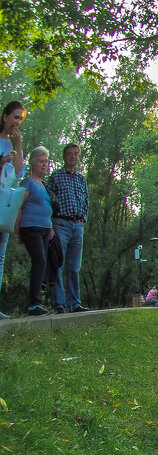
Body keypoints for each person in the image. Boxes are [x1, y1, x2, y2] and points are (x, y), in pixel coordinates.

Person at [46, 142, 90, 313]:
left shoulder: (81, 178)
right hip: (61, 223)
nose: (73, 156)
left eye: (76, 153)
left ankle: (75, 303)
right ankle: (59, 304)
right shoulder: (56, 176)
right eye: (70, 153)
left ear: (79, 156)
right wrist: (51, 222)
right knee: (58, 263)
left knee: (74, 266)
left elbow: (86, 200)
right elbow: (48, 197)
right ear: (64, 157)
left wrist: (83, 219)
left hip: (77, 225)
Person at [14, 146, 54, 316]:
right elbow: (18, 207)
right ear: (32, 163)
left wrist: (51, 226)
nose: (44, 165)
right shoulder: (28, 182)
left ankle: (38, 300)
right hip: (30, 227)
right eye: (41, 161)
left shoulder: (43, 185)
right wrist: (17, 231)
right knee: (39, 260)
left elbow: (47, 207)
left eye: (46, 161)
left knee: (43, 262)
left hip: (45, 229)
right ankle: (33, 304)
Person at [0, 100, 26, 320]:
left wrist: (17, 147)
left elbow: (18, 175)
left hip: (5, 206)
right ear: (5, 116)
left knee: (0, 258)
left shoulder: (13, 144)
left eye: (21, 119)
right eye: (15, 117)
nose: (17, 122)